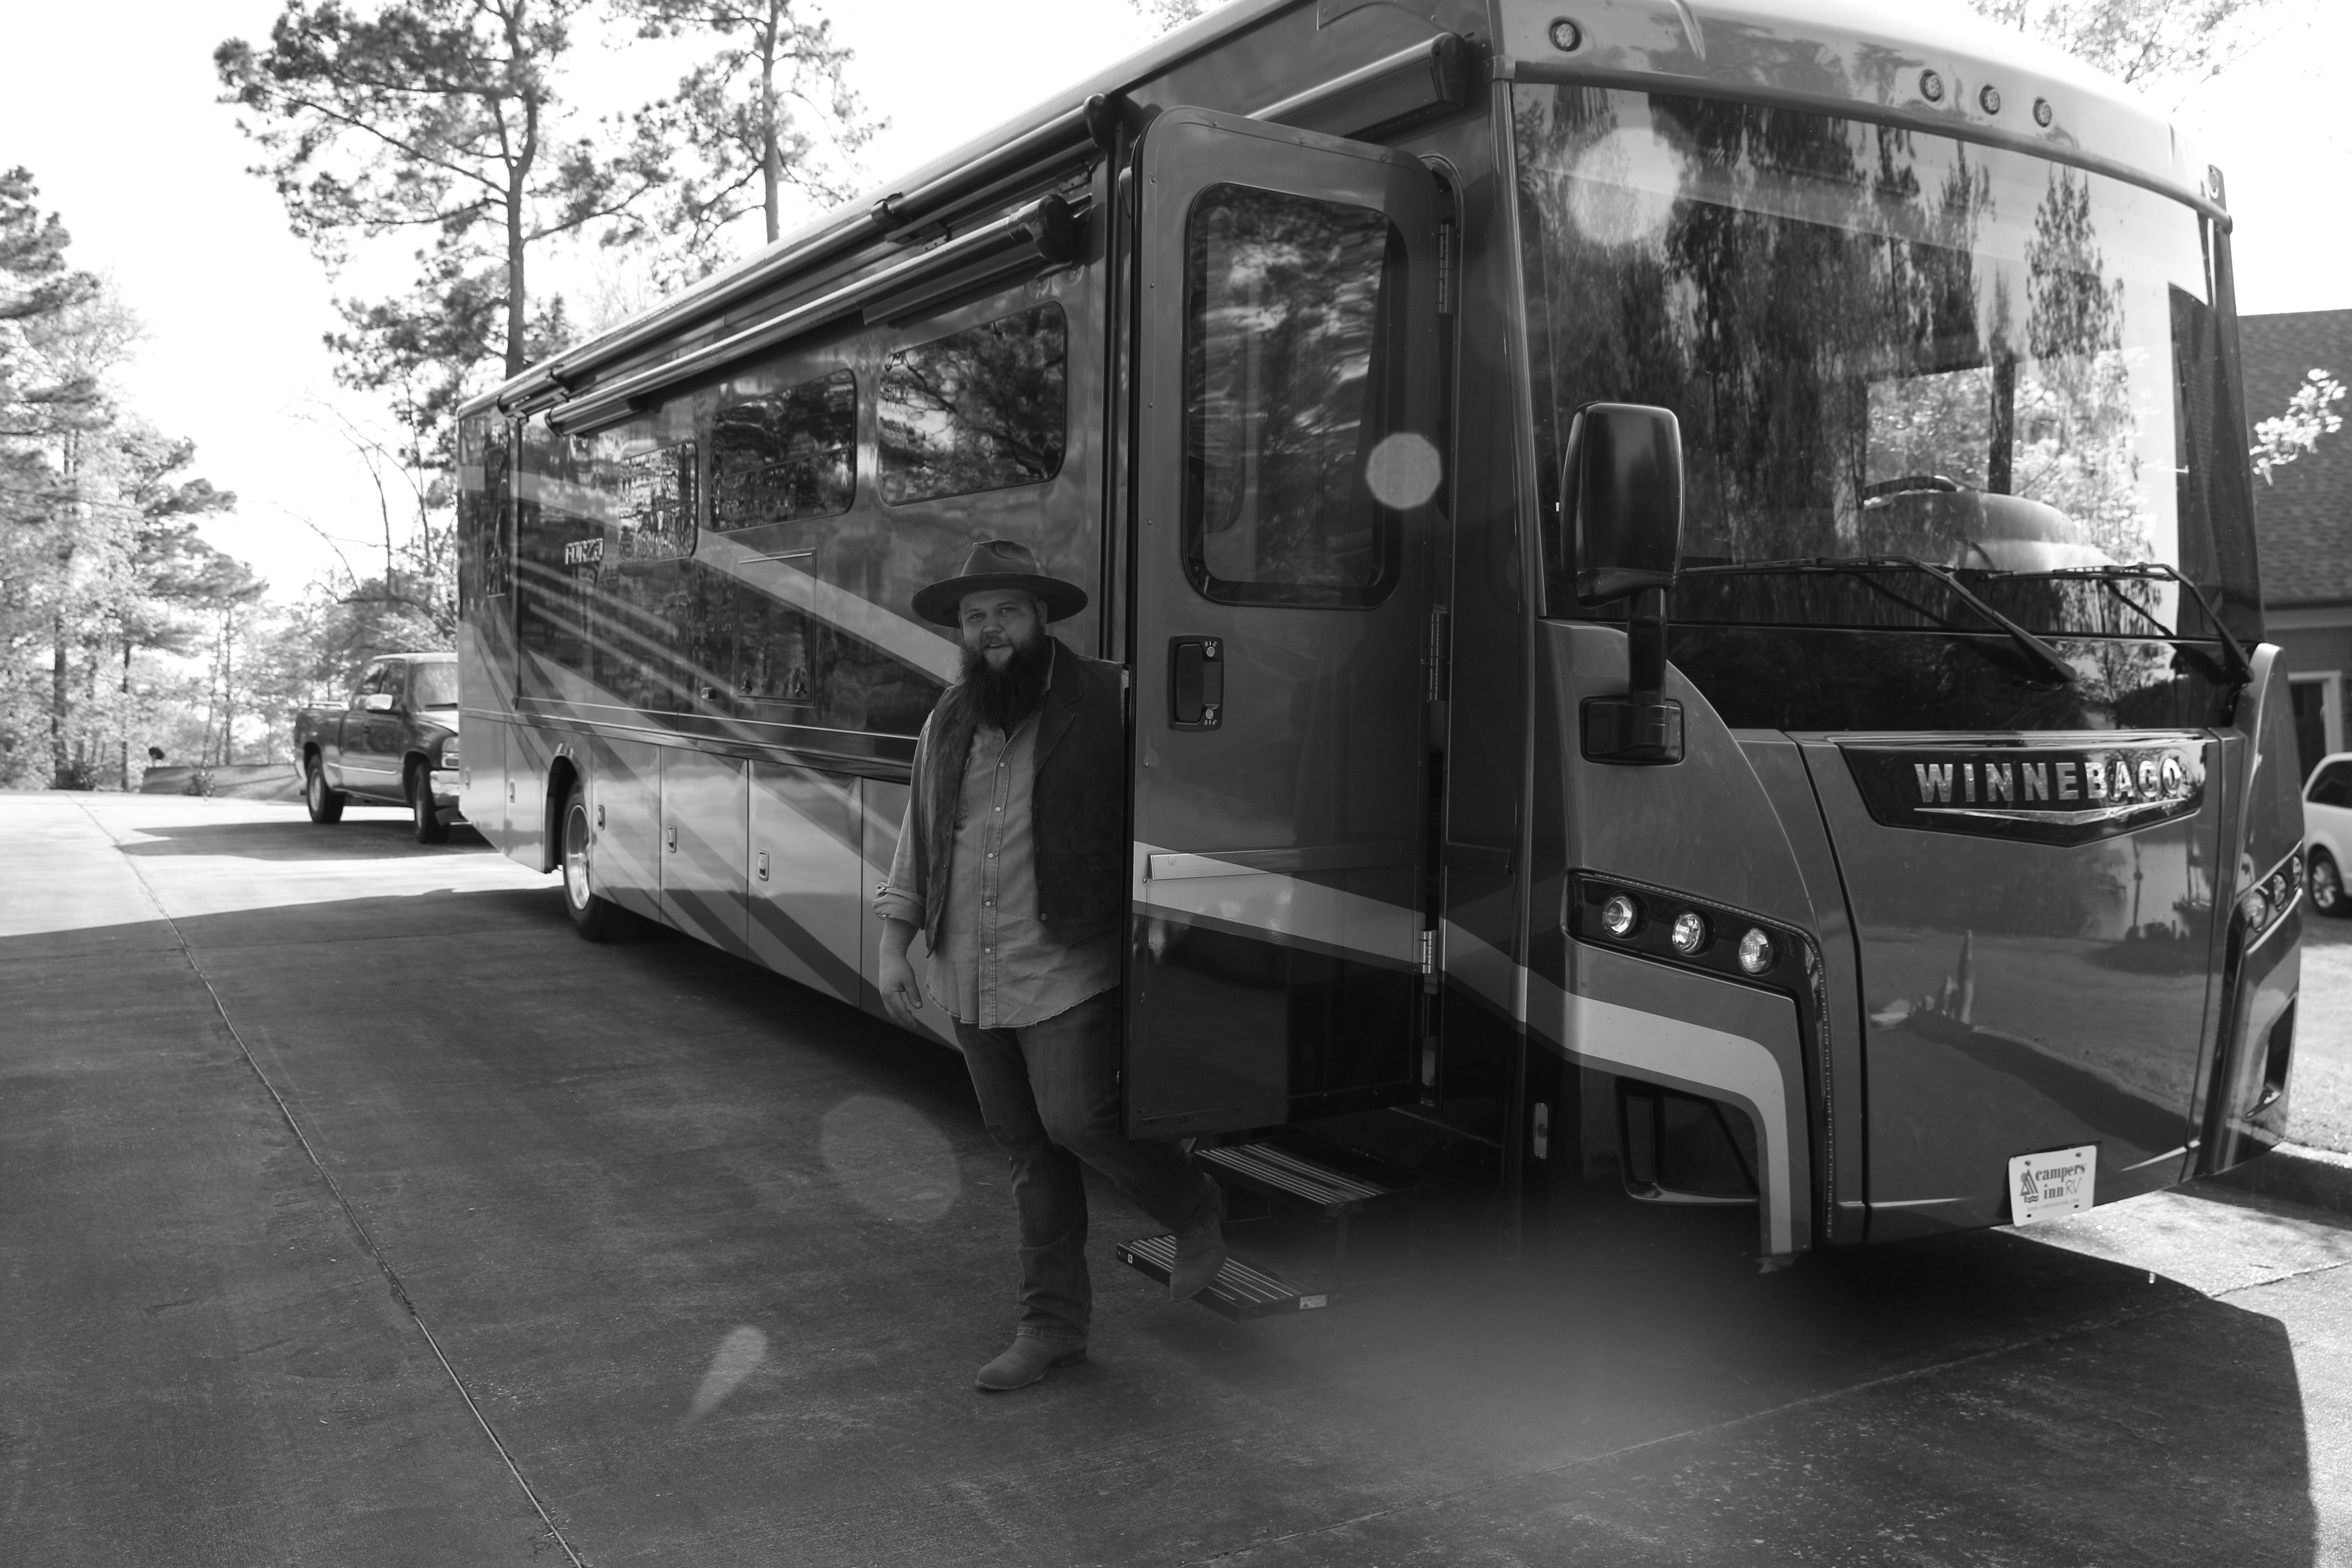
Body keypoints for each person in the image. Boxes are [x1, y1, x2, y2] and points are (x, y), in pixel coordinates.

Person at [873, 539, 1227, 1393]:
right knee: (1029, 1152)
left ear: (1042, 619)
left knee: (1078, 1121)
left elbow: (1185, 791)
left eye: (1008, 611)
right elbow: (921, 839)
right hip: (971, 973)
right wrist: (896, 942)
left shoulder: (1109, 699)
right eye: (975, 616)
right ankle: (1052, 1326)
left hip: (1067, 964)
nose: (991, 629)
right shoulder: (950, 717)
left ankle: (1192, 1205)